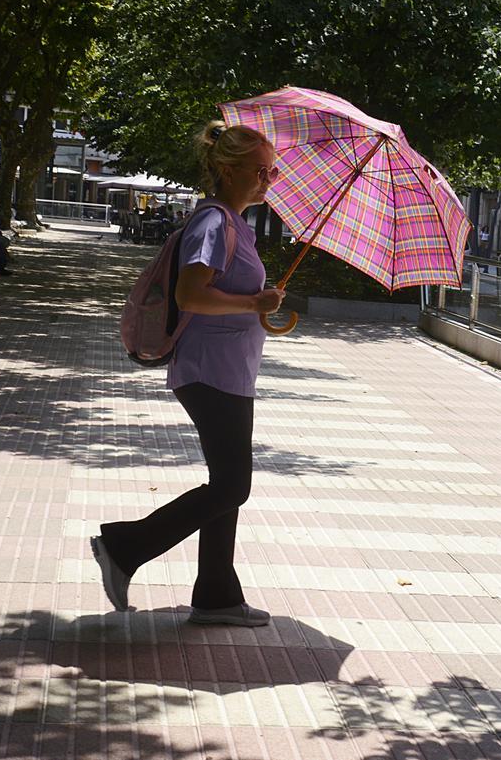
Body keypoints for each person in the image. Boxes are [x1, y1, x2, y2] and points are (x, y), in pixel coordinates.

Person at [91, 121, 286, 628]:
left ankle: (217, 595)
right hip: (209, 370)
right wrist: (253, 301)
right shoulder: (215, 223)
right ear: (227, 169)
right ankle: (124, 545)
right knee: (232, 487)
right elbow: (191, 295)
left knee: (226, 482)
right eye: (260, 169)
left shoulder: (233, 223)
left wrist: (257, 306)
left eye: (274, 170)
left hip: (227, 370)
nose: (270, 178)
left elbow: (219, 294)